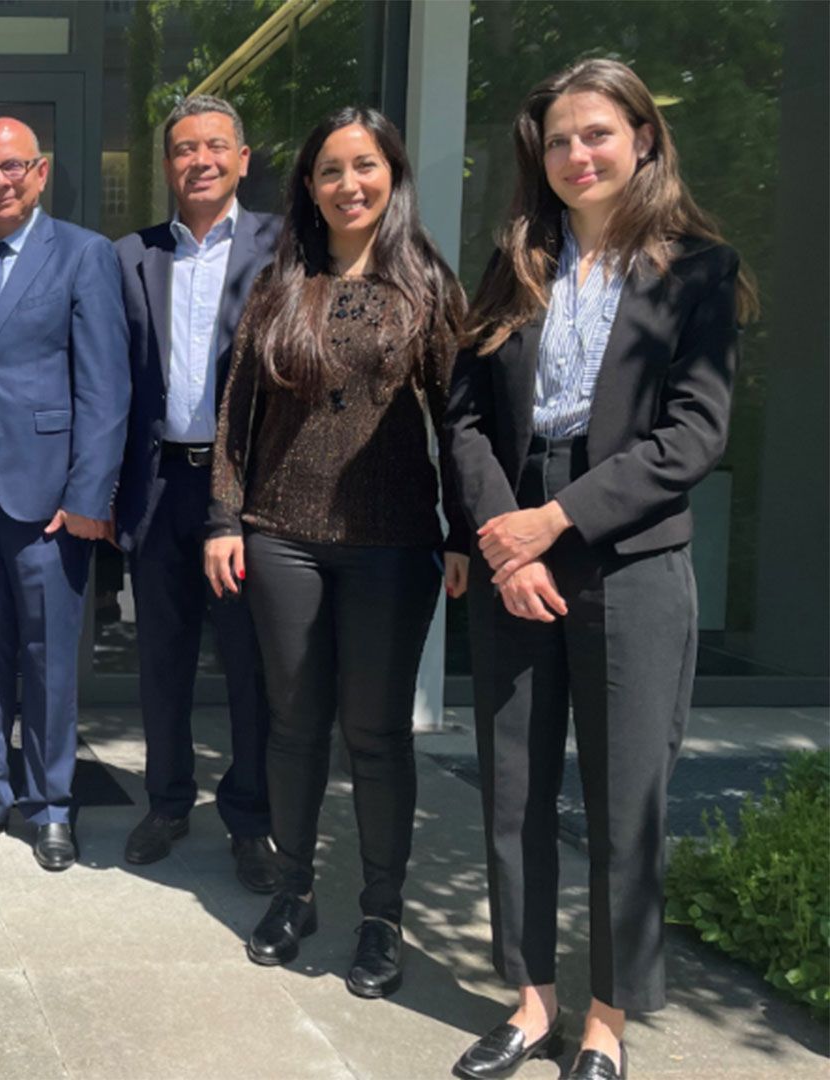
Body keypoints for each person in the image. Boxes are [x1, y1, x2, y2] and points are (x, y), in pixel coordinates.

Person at [446, 59, 749, 1080]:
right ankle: (531, 1003)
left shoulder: (698, 271)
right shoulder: (514, 263)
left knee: (627, 802)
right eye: (559, 140)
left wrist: (555, 522)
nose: (577, 154)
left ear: (643, 139)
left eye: (598, 134)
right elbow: (465, 419)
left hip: (628, 550)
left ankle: (606, 1023)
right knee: (515, 790)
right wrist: (504, 536)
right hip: (514, 532)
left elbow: (694, 434)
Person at [202, 106, 467, 999]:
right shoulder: (281, 284)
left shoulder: (427, 284)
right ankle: (295, 890)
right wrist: (224, 519)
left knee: (377, 735)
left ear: (392, 175)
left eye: (365, 166)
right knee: (293, 725)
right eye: (329, 170)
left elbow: (460, 422)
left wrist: (466, 531)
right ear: (308, 188)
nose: (348, 185)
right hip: (282, 538)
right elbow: (235, 413)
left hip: (392, 544)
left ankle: (381, 914)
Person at [0, 117, 131, 871]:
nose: (0, 180)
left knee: (48, 657)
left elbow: (105, 385)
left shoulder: (83, 253)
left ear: (40, 173)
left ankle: (50, 806)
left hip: (49, 496)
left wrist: (90, 494)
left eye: (13, 166)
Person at [112, 94, 280, 887]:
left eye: (215, 146)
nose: (200, 160)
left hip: (244, 492)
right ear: (167, 165)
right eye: (184, 148)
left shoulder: (286, 249)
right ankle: (168, 801)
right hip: (158, 486)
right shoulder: (132, 255)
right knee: (162, 658)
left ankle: (251, 818)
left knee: (249, 662)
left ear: (242, 160)